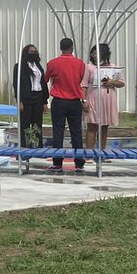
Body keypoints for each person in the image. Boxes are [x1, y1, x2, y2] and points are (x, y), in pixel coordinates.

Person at [43, 38, 86, 173]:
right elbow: (79, 79)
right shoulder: (80, 63)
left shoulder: (52, 63)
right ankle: (79, 163)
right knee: (76, 132)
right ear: (72, 48)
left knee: (58, 132)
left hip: (59, 101)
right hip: (74, 101)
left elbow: (45, 79)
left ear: (60, 48)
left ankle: (57, 163)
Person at [82, 43, 124, 157]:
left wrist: (112, 82)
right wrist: (84, 101)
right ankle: (89, 154)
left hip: (108, 99)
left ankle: (101, 153)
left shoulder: (112, 66)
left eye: (96, 52)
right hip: (93, 98)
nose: (94, 55)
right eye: (93, 53)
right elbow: (84, 85)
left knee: (104, 127)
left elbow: (121, 83)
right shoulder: (89, 67)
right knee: (92, 126)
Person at [11, 44, 48, 147]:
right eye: (30, 52)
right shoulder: (19, 66)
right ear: (25, 53)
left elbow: (43, 83)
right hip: (26, 98)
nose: (33, 53)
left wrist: (45, 101)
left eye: (34, 52)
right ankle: (24, 145)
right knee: (25, 123)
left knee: (37, 123)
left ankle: (38, 145)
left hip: (38, 97)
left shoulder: (38, 66)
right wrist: (20, 100)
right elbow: (16, 85)